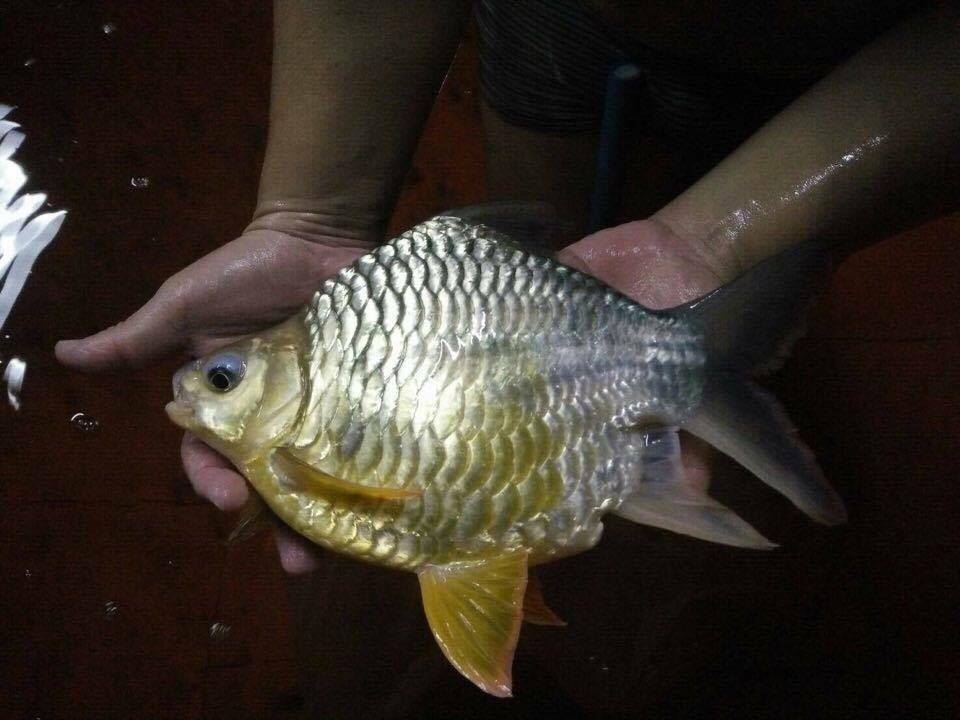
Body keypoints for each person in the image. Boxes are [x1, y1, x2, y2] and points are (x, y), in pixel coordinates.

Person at [56, 0, 958, 578]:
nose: (203, 385)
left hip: (870, 48)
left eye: (224, 379)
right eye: (224, 378)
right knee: (553, 185)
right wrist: (309, 213)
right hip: (551, 17)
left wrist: (718, 237)